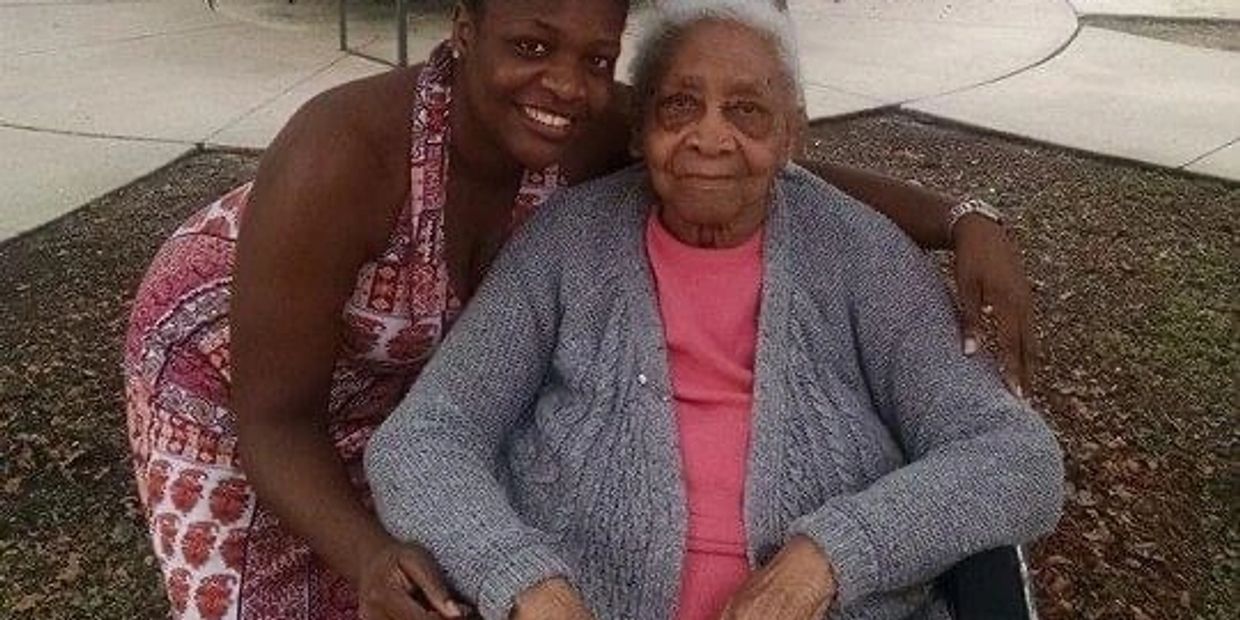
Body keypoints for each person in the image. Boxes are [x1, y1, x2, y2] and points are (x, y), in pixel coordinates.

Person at [125, 0, 1034, 618]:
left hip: (410, 347)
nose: (711, 136)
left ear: (791, 134)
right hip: (234, 365)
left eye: (748, 113)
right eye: (681, 105)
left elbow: (1012, 455)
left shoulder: (849, 251)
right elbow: (383, 433)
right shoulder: (545, 229)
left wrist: (828, 557)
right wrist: (519, 576)